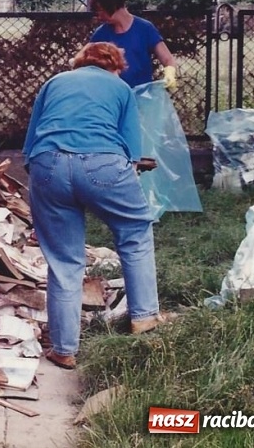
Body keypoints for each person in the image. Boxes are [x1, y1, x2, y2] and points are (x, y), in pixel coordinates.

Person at [23, 42, 163, 370]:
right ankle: (143, 317)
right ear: (115, 66)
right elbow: (130, 148)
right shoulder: (120, 87)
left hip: (47, 164)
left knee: (63, 261)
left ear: (80, 63)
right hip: (104, 163)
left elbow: (30, 143)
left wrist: (47, 187)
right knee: (134, 233)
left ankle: (64, 349)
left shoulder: (54, 82)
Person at [89, 0, 178, 90]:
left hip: (142, 96)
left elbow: (167, 58)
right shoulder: (101, 34)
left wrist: (170, 74)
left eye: (100, 10)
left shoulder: (145, 28)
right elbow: (86, 64)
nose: (99, 17)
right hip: (113, 96)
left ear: (111, 6)